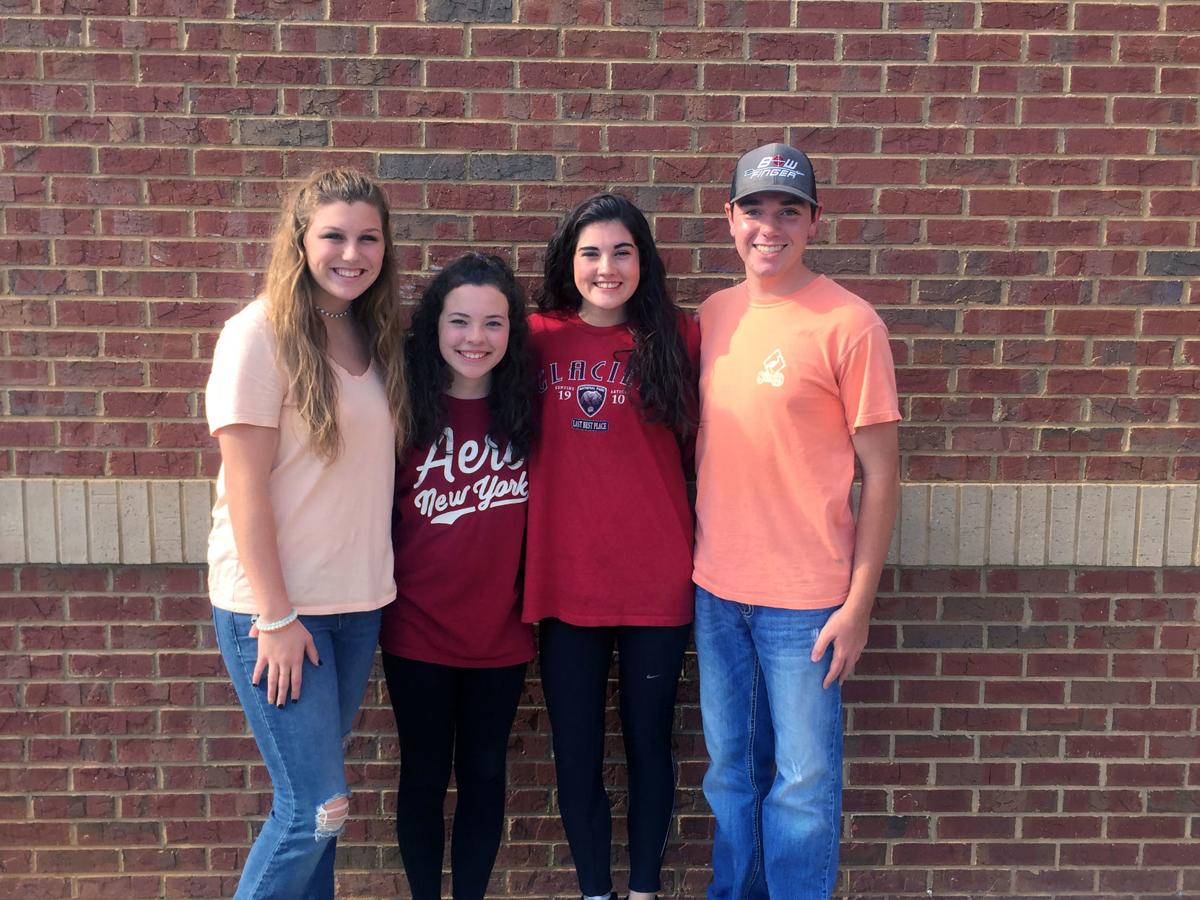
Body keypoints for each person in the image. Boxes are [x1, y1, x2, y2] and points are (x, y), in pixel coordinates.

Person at [692, 143, 901, 899]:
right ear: (730, 220)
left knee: (803, 787)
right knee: (731, 777)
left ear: (815, 221)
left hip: (807, 604)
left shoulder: (850, 323)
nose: (768, 227)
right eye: (754, 209)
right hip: (716, 592)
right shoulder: (714, 316)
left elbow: (881, 475)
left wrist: (858, 607)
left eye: (789, 210)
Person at [205, 168, 409, 899]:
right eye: (333, 236)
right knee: (314, 809)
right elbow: (245, 488)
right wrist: (276, 616)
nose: (351, 253)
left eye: (367, 237)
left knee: (327, 817)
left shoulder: (371, 331)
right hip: (279, 615)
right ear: (300, 241)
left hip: (356, 608)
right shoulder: (257, 334)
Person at [524, 193, 699, 900]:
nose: (606, 266)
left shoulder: (679, 338)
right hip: (565, 585)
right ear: (571, 261)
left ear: (643, 259)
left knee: (651, 748)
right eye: (591, 252)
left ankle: (645, 891)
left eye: (622, 251)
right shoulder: (534, 337)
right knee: (576, 753)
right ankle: (595, 890)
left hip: (657, 583)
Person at [380, 252, 536, 900]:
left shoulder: (529, 412)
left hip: (502, 634)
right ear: (434, 327)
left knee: (484, 775)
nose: (476, 338)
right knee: (421, 775)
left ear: (511, 332)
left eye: (493, 323)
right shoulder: (403, 410)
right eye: (460, 321)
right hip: (416, 629)